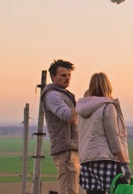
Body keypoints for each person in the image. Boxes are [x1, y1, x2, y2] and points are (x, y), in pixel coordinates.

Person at [76, 72, 132, 194]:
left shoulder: (81, 109)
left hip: (87, 160)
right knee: (122, 190)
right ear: (108, 86)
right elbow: (113, 137)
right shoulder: (108, 107)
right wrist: (124, 163)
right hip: (106, 159)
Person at [42, 59, 80, 194]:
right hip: (65, 149)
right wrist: (83, 103)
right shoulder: (53, 95)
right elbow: (70, 118)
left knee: (72, 188)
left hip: (70, 148)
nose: (67, 78)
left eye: (69, 75)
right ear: (53, 77)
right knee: (69, 190)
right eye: (63, 75)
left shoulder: (64, 95)